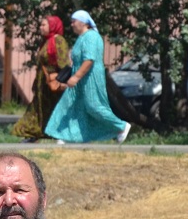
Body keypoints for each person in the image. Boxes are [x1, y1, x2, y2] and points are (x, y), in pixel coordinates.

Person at [45, 10, 132, 144]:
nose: (72, 25)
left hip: (89, 79)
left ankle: (121, 126)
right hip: (80, 79)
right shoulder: (82, 37)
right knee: (71, 105)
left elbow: (89, 60)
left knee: (93, 106)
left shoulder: (91, 37)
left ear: (83, 22)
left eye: (74, 21)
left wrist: (76, 77)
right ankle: (65, 136)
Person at [12, 15, 72, 141]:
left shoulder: (58, 40)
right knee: (38, 109)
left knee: (55, 108)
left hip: (54, 82)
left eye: (44, 25)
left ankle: (60, 135)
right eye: (41, 25)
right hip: (43, 83)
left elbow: (63, 63)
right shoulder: (46, 42)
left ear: (53, 26)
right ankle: (33, 135)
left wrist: (63, 81)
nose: (41, 27)